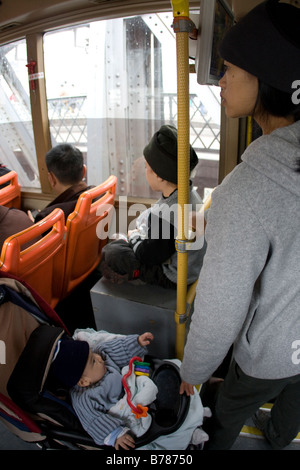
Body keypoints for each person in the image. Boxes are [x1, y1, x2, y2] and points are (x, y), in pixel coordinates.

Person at [180, 0, 300, 450]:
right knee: (292, 404)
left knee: (227, 410)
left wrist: (193, 373)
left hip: (267, 355)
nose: (220, 80)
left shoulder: (246, 192)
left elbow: (220, 307)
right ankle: (278, 436)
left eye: (230, 69)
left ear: (268, 79)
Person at [49, 329, 209, 450]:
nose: (98, 358)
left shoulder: (102, 355)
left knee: (174, 371)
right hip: (126, 412)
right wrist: (115, 434)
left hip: (136, 385)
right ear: (84, 381)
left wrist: (137, 342)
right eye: (93, 361)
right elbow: (94, 422)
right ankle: (188, 437)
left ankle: (195, 415)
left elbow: (119, 348)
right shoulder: (84, 400)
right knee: (152, 433)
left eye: (93, 354)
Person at [100, 124, 206, 289]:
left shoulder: (167, 214)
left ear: (160, 176)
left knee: (112, 252)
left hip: (173, 276)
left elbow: (147, 255)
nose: (145, 172)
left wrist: (134, 235)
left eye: (147, 168)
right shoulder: (189, 195)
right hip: (192, 266)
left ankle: (134, 273)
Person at [29, 144, 93, 223]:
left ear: (51, 178)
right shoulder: (99, 194)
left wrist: (35, 225)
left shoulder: (48, 217)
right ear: (84, 171)